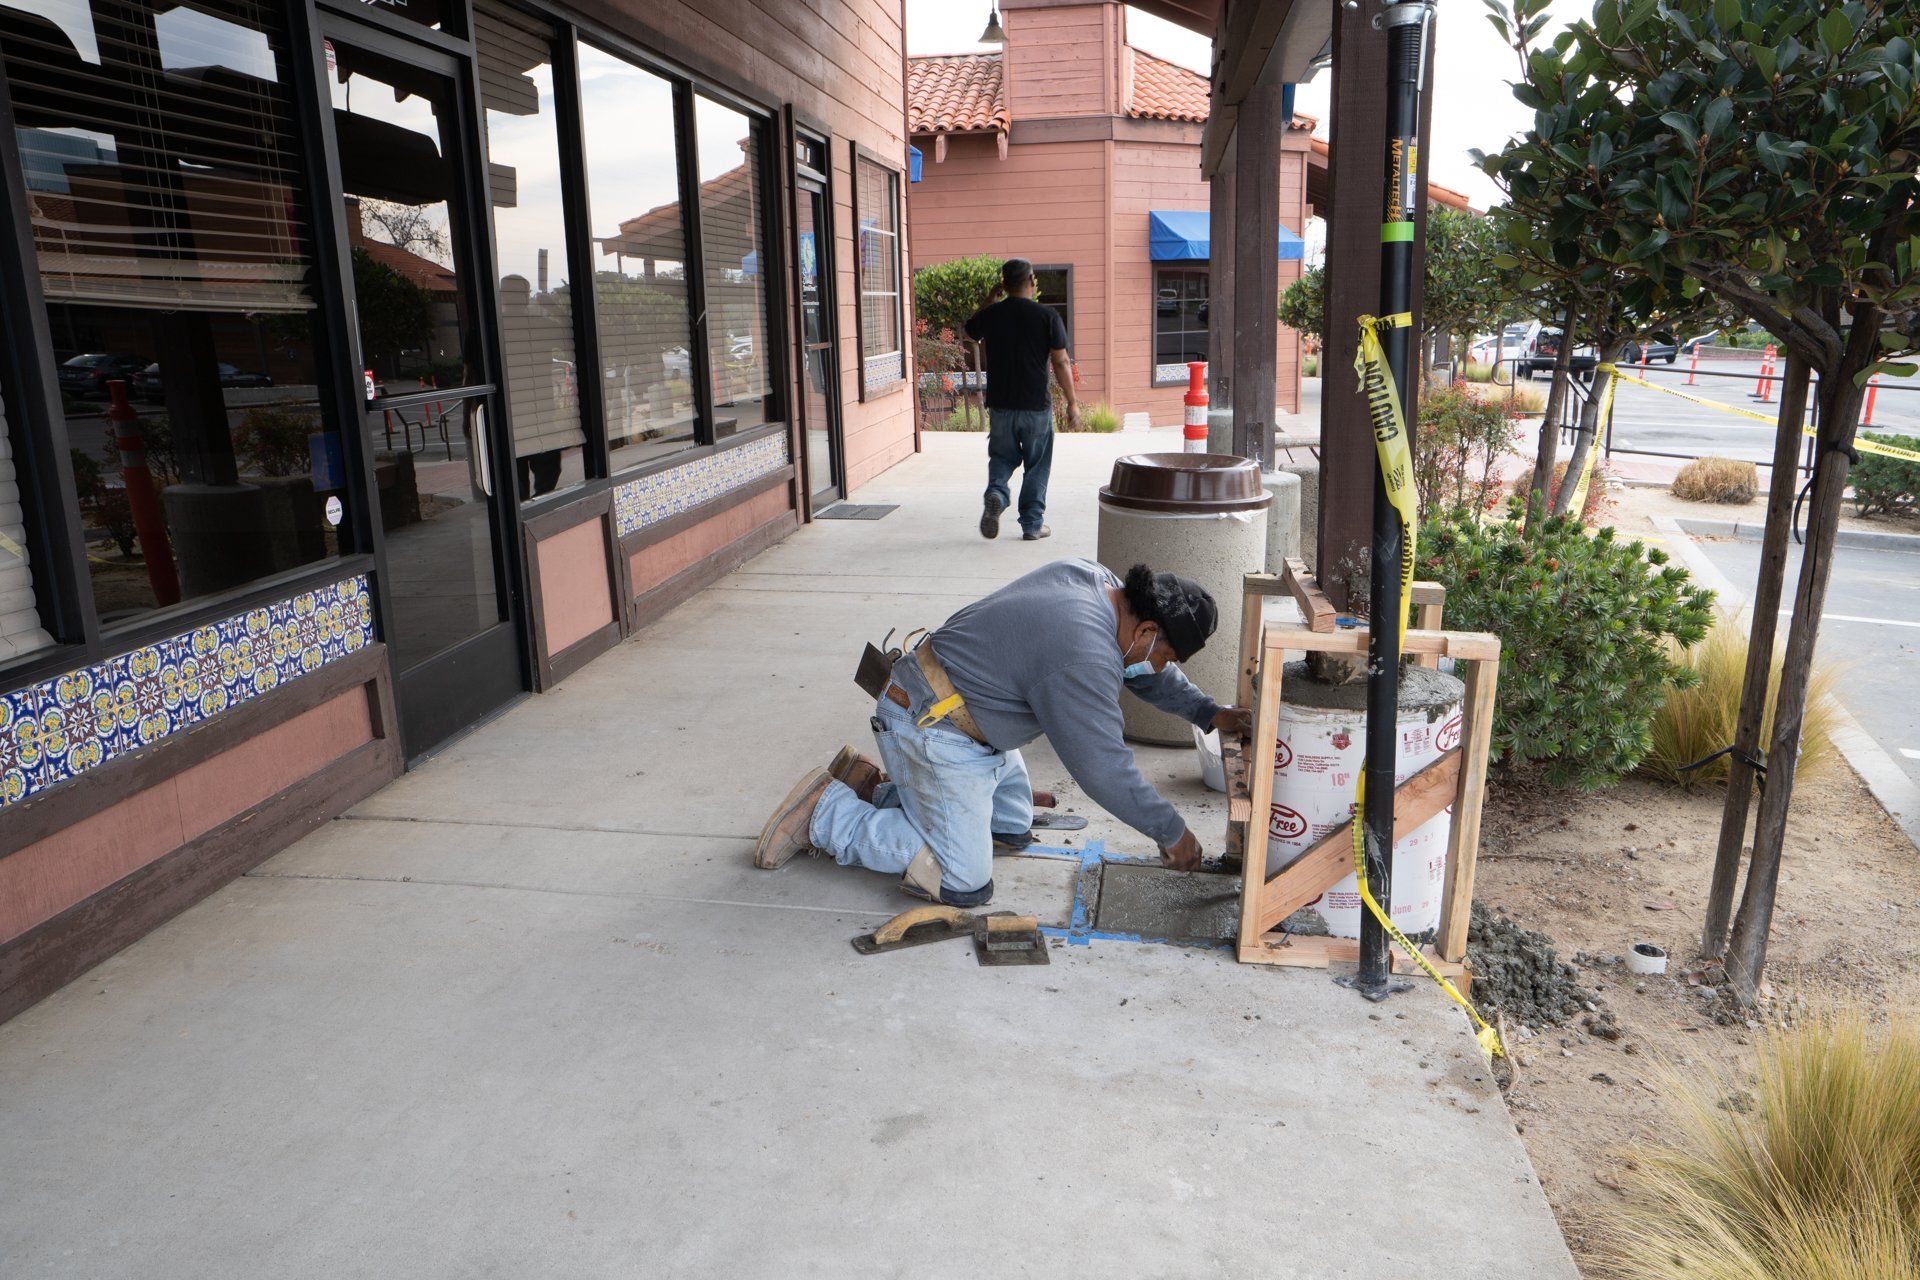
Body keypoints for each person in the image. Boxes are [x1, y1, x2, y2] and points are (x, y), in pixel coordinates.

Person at [751, 559, 1252, 906]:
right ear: (1144, 632)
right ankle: (826, 813)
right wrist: (1172, 832)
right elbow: (1104, 768)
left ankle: (878, 788)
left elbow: (1145, 673)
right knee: (963, 879)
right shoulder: (1082, 652)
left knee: (1008, 829)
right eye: (1164, 654)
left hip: (967, 718)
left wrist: (1208, 712)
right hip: (932, 726)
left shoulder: (1097, 582)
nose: (1161, 666)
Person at [963, 258, 1078, 542]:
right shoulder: (1047, 316)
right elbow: (1061, 361)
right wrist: (1072, 402)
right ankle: (1032, 524)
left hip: (1001, 405)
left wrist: (990, 299)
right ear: (1031, 282)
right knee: (1037, 464)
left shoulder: (991, 315)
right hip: (1035, 406)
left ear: (1004, 284)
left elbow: (969, 332)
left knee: (1002, 457)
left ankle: (997, 494)